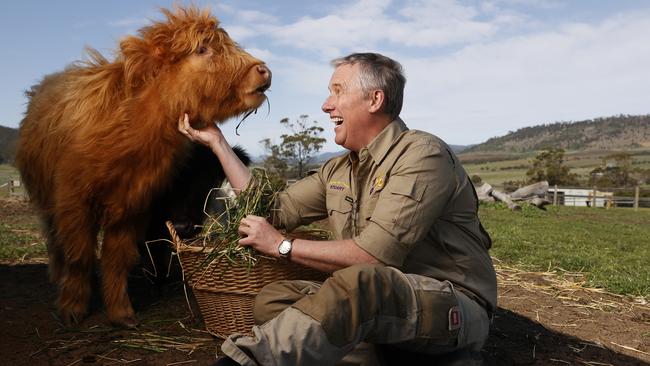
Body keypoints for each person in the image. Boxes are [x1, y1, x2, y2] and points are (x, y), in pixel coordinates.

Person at [178, 52, 497, 366]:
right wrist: (218, 143)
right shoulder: (337, 170)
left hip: (448, 301)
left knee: (363, 284)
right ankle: (384, 356)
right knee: (274, 301)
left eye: (337, 91)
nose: (326, 105)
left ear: (374, 100)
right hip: (376, 303)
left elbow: (375, 257)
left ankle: (241, 362)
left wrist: (281, 245)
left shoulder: (422, 154)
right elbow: (271, 208)